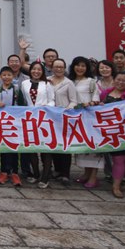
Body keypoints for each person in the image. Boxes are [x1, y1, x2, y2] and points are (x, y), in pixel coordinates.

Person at [0, 67, 26, 186]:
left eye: (9, 75)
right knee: (3, 148)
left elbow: (22, 105)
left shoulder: (17, 90)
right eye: (4, 75)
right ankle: (4, 172)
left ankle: (15, 172)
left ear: (13, 76)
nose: (6, 77)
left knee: (14, 148)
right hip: (1, 123)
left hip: (14, 124)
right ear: (1, 77)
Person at [69, 56, 102, 188]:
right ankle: (86, 173)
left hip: (89, 118)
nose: (80, 68)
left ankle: (93, 176)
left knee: (93, 147)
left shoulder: (91, 82)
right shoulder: (70, 81)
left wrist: (88, 104)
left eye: (83, 66)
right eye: (77, 65)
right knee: (83, 148)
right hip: (76, 119)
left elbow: (96, 99)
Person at [20, 62, 53, 183]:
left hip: (44, 119)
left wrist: (46, 107)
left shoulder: (47, 84)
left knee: (45, 148)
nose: (36, 71)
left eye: (39, 69)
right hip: (29, 119)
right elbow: (23, 100)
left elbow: (52, 100)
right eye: (34, 69)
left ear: (43, 71)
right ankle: (35, 173)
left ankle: (45, 176)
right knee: (32, 148)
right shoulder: (24, 83)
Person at [48, 58, 78, 186]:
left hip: (64, 118)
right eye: (56, 66)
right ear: (52, 68)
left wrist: (67, 110)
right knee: (54, 144)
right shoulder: (47, 81)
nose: (58, 69)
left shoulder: (69, 83)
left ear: (64, 68)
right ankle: (57, 170)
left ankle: (65, 173)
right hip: (50, 118)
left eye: (61, 67)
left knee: (65, 146)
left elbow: (74, 100)